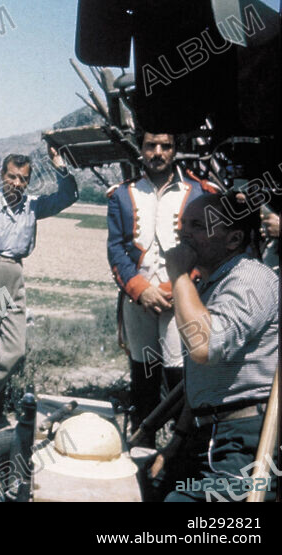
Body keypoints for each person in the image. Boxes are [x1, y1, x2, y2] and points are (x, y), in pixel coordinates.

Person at [162, 192, 278, 502]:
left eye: (198, 225)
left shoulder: (250, 279)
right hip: (210, 434)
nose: (183, 234)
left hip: (243, 441)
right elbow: (204, 380)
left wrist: (179, 276)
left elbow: (205, 347)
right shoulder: (212, 283)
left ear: (233, 239)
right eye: (182, 224)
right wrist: (177, 441)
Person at [0, 146, 77, 437]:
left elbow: (69, 196)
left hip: (14, 272)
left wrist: (60, 165)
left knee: (13, 348)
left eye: (23, 179)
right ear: (2, 176)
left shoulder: (32, 205)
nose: (17, 184)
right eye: (11, 177)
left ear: (29, 181)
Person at [106, 132, 215, 444]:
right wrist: (141, 289)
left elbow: (204, 249)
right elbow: (116, 249)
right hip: (138, 299)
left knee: (180, 374)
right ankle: (144, 443)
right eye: (150, 146)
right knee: (143, 374)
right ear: (140, 149)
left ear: (175, 150)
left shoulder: (199, 192)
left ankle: (183, 448)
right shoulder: (122, 195)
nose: (157, 152)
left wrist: (174, 287)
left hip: (181, 298)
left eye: (165, 146)